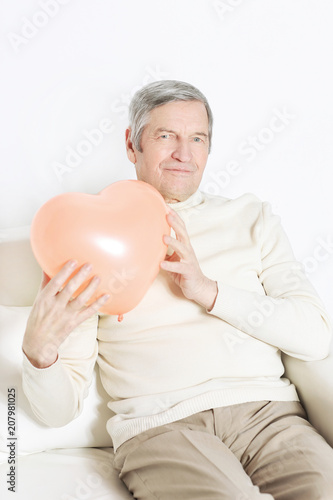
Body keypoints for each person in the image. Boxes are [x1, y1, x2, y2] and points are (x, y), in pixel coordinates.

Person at [22, 80, 333, 499]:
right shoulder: (89, 238)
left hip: (268, 416)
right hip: (160, 427)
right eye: (166, 136)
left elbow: (315, 337)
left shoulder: (251, 217)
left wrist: (208, 290)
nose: (184, 154)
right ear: (133, 145)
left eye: (197, 138)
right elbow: (56, 412)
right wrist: (40, 356)